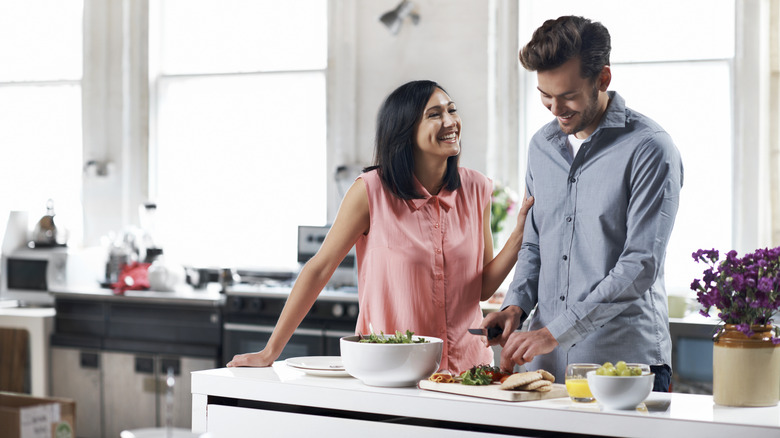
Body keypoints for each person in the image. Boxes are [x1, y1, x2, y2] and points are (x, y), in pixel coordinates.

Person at [228, 80, 533, 372]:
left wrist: (520, 234)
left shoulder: (476, 188)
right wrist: (270, 352)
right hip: (392, 371)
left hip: (468, 371)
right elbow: (319, 268)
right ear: (405, 131)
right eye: (434, 114)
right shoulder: (370, 192)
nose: (450, 121)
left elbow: (481, 288)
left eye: (451, 110)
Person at [482, 16, 683, 392]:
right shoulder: (541, 147)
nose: (555, 109)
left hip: (624, 365)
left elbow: (639, 265)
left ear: (602, 79)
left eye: (568, 95)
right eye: (545, 94)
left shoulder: (650, 148)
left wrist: (554, 332)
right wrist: (517, 306)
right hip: (546, 364)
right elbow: (534, 243)